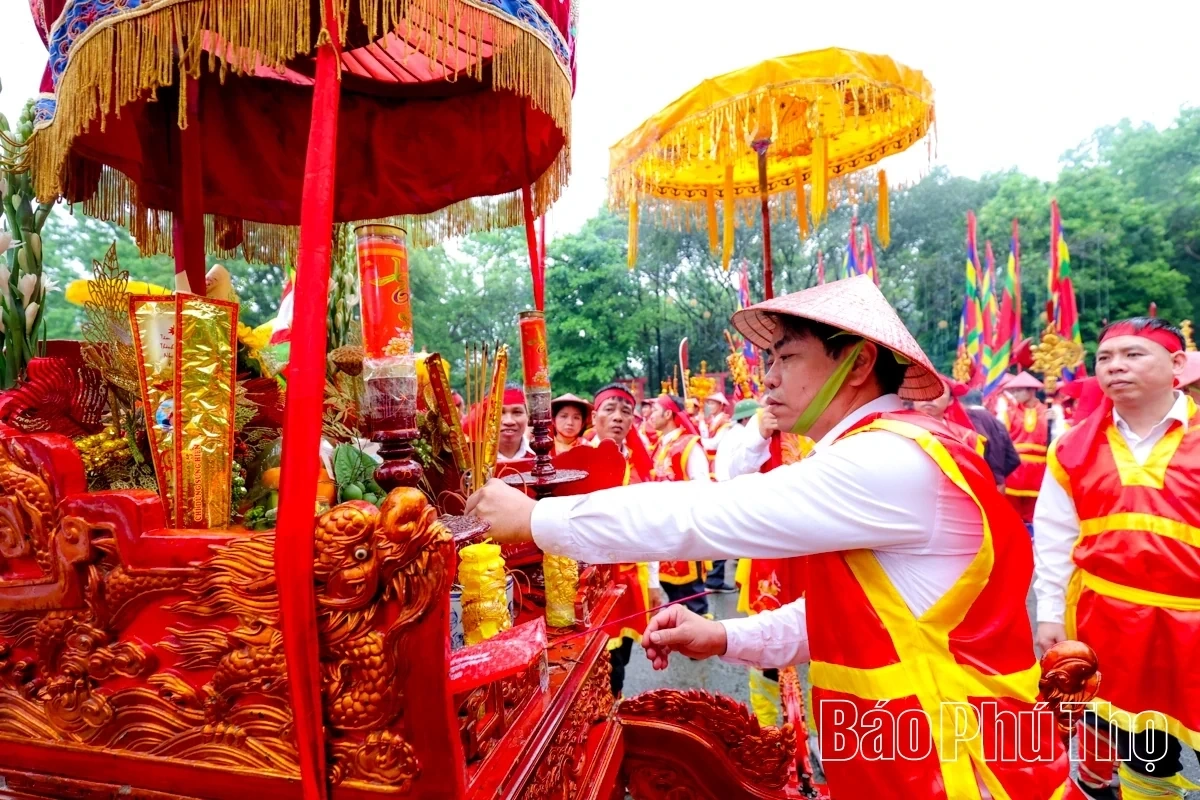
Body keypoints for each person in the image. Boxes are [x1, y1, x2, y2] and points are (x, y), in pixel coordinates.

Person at [467, 276, 1071, 799]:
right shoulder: (887, 450)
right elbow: (855, 620)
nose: (768, 378)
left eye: (786, 357)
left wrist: (539, 522)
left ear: (858, 364)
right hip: (912, 756)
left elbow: (706, 513)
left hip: (959, 767)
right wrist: (724, 634)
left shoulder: (888, 460)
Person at [1034, 317, 1200, 800]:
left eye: (1132, 355)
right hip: (1107, 618)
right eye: (1105, 358)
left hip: (1192, 622)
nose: (1115, 368)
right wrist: (1048, 612)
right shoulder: (1071, 447)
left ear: (1175, 365)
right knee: (1126, 739)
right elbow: (1054, 537)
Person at [587, 383, 661, 697]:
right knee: (598, 663)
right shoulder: (576, 462)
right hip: (590, 582)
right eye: (609, 409)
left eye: (626, 411)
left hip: (630, 578)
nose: (618, 417)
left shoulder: (638, 468)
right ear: (594, 417)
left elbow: (651, 527)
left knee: (622, 659)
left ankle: (612, 712)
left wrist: (654, 582)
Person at [647, 393, 714, 615]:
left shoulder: (689, 445)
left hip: (683, 527)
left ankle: (704, 636)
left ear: (668, 414)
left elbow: (702, 486)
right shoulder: (658, 446)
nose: (649, 415)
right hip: (663, 527)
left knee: (692, 589)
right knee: (671, 588)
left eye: (654, 410)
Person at [1003, 370, 1050, 526]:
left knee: (1036, 514)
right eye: (1013, 391)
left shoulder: (1048, 412)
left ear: (1031, 391)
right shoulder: (1009, 413)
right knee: (1011, 514)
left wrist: (1055, 421)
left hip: (1038, 470)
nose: (1014, 394)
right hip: (1014, 469)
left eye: (1018, 390)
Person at [962, 389, 1021, 489]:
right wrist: (999, 476)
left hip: (979, 483)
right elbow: (1014, 459)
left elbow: (982, 441)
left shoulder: (968, 416)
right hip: (997, 484)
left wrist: (989, 474)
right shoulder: (996, 421)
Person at [496, 386, 535, 461]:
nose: (509, 421)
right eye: (499, 413)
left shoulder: (541, 457)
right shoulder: (474, 461)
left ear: (529, 416)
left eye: (517, 412)